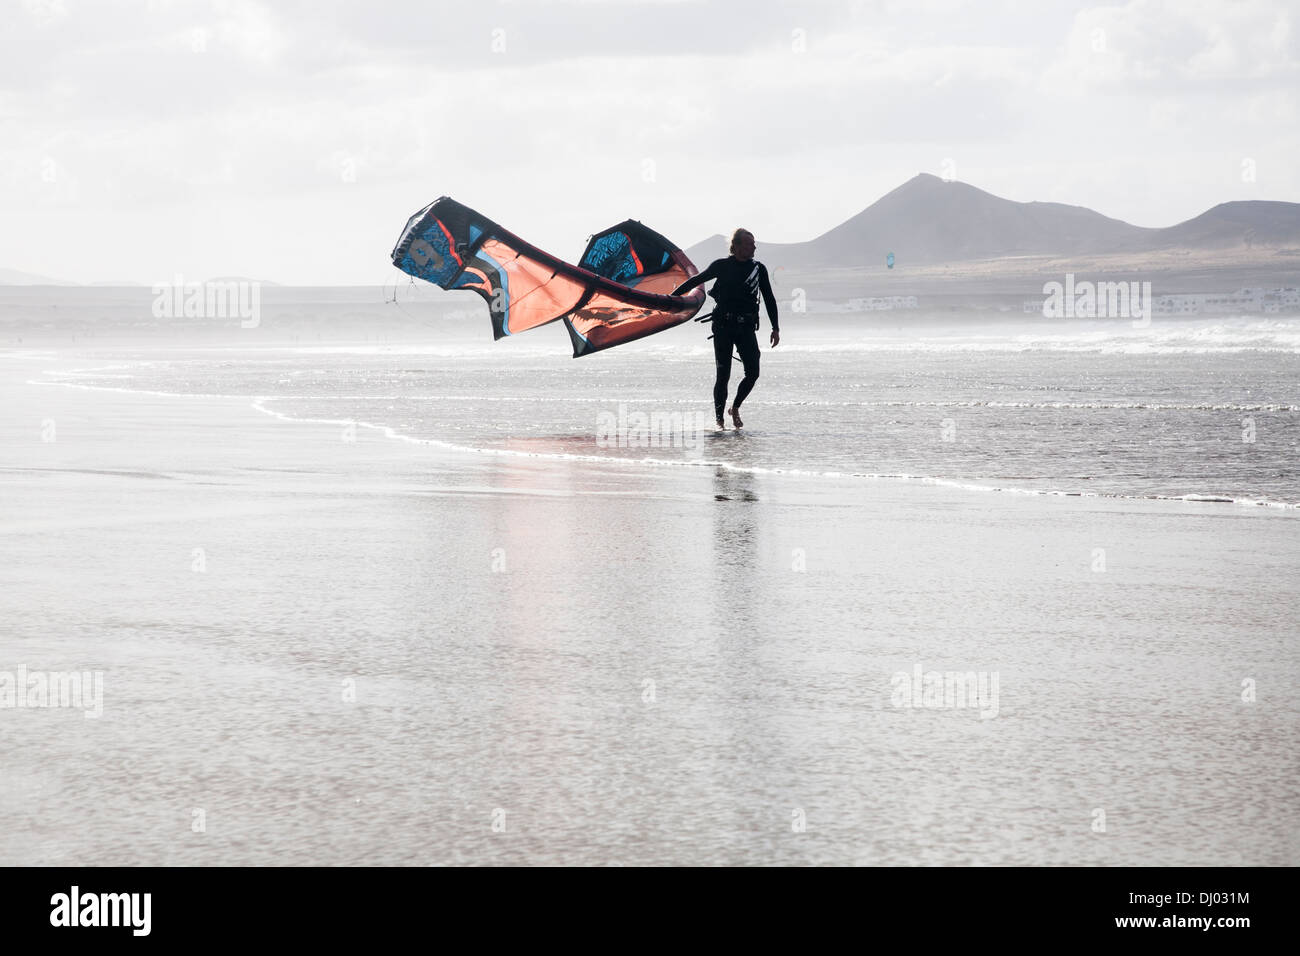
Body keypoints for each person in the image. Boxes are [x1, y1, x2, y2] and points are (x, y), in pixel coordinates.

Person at [671, 228, 779, 429]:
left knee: (753, 372)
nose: (754, 246)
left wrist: (775, 328)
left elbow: (770, 299)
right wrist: (671, 300)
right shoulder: (721, 266)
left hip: (746, 327)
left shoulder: (758, 268)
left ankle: (735, 407)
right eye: (749, 243)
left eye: (754, 243)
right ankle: (720, 420)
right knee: (723, 375)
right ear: (737, 246)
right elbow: (695, 281)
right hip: (723, 326)